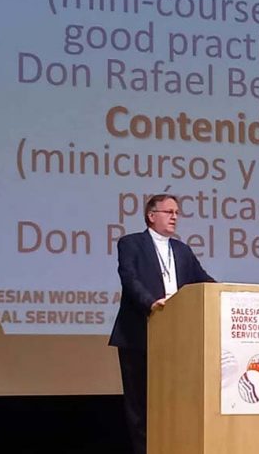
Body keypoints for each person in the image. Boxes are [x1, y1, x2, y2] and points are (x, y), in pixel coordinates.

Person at [108, 194, 215, 454]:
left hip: (177, 337)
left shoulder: (182, 250)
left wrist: (229, 295)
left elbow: (203, 280)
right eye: (169, 212)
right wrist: (150, 303)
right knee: (140, 404)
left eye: (176, 212)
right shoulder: (131, 243)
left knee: (173, 400)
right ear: (151, 215)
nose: (174, 217)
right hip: (139, 334)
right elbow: (129, 278)